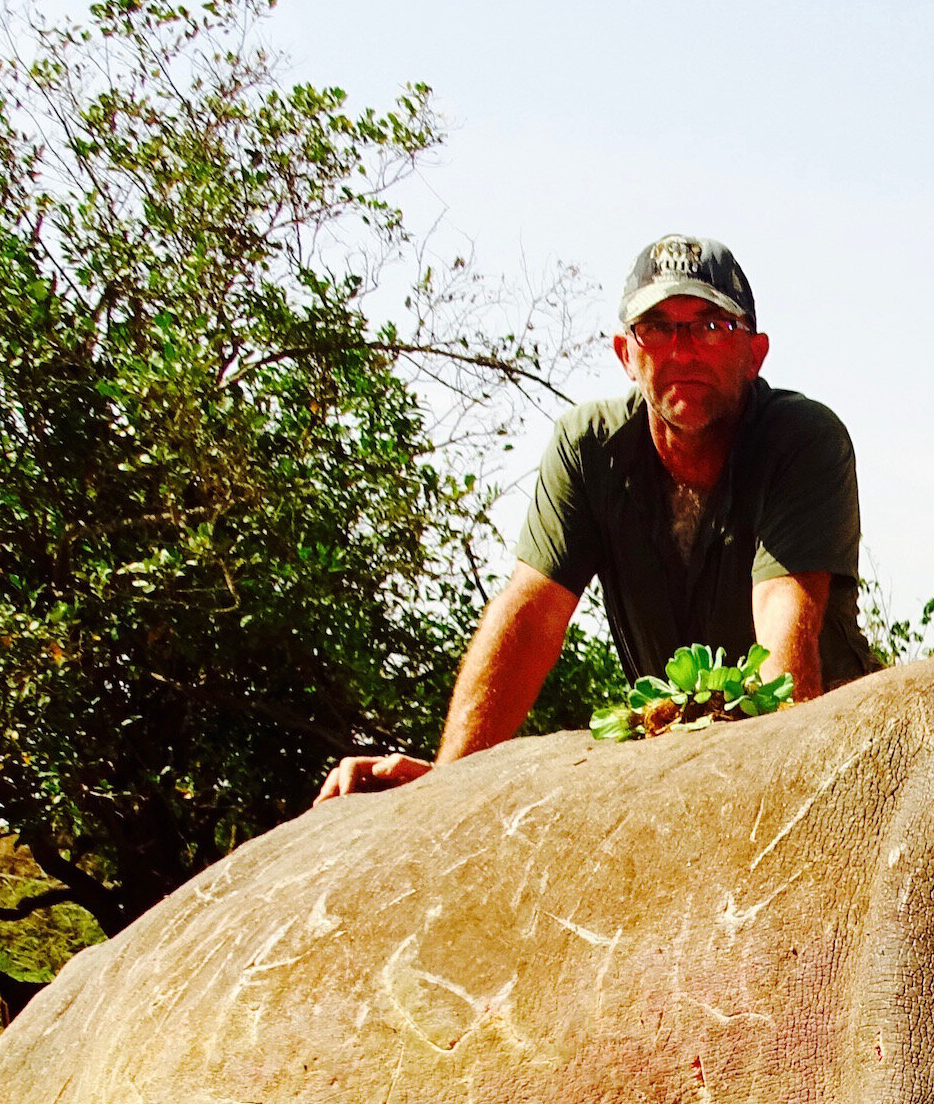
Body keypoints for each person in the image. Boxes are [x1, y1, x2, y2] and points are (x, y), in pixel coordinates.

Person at [317, 234, 866, 802]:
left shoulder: (801, 440)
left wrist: (784, 795)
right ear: (626, 354)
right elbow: (533, 614)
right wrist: (446, 784)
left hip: (828, 745)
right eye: (656, 327)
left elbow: (783, 627)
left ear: (754, 354)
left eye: (709, 326)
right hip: (680, 758)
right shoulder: (587, 447)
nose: (682, 350)